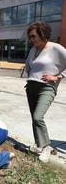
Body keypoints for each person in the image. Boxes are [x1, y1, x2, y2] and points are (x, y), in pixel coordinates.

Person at [25, 21, 66, 163]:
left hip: (47, 88)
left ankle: (47, 147)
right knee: (34, 119)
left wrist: (57, 77)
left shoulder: (56, 48)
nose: (31, 39)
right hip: (31, 87)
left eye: (33, 36)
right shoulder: (33, 49)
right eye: (30, 37)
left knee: (38, 117)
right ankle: (39, 145)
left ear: (43, 34)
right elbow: (29, 64)